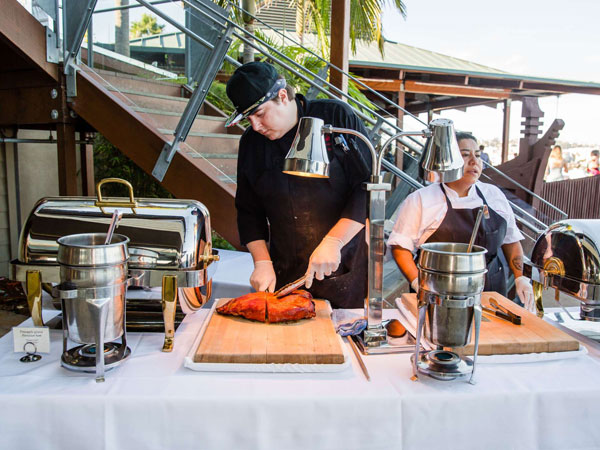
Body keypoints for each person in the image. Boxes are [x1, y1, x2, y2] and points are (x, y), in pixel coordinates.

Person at [226, 62, 371, 308]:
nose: (255, 126)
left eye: (260, 114)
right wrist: (262, 262)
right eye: (248, 119)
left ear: (282, 96)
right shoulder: (252, 142)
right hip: (285, 269)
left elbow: (366, 187)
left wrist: (334, 241)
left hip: (342, 265)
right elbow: (249, 209)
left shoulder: (336, 117)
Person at [387, 131, 535, 311]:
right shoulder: (421, 199)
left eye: (478, 155)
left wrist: (521, 277)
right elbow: (401, 247)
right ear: (447, 159)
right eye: (465, 155)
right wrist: (418, 282)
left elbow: (511, 240)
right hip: (439, 292)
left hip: (491, 292)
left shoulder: (494, 195)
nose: (474, 161)